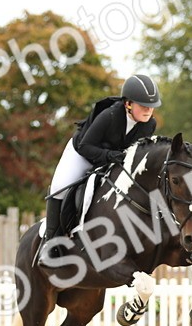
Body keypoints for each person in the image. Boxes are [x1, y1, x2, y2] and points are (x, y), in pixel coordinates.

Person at [39, 74, 162, 264]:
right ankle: (51, 244)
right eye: (143, 105)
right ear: (128, 104)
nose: (148, 110)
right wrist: (108, 156)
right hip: (82, 153)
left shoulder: (149, 125)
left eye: (151, 106)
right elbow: (85, 146)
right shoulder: (110, 115)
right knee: (59, 187)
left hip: (112, 159)